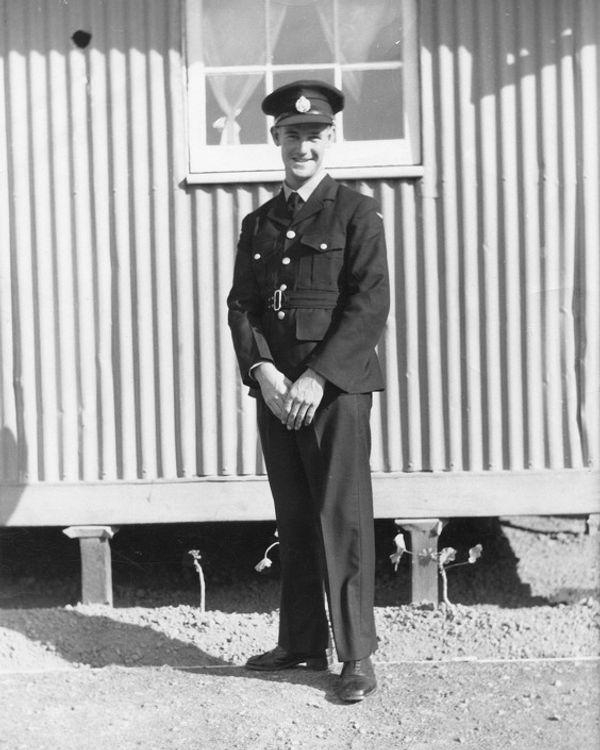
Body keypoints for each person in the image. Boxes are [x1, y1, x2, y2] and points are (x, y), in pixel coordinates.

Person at [227, 80, 390, 703]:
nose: (304, 146)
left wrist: (317, 378)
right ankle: (300, 642)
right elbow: (242, 306)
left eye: (314, 135)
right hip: (278, 393)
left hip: (335, 391)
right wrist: (263, 373)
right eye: (292, 135)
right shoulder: (259, 223)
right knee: (294, 517)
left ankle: (356, 656)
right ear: (275, 138)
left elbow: (369, 303)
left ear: (332, 138)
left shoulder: (357, 212)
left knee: (341, 519)